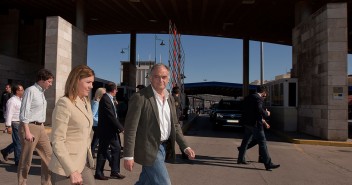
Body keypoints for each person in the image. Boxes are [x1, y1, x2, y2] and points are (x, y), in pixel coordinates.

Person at [124, 63, 196, 185]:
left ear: (168, 79)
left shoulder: (170, 98)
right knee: (164, 183)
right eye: (157, 76)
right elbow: (131, 128)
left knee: (145, 181)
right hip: (149, 148)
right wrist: (128, 156)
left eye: (164, 77)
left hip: (164, 147)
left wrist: (185, 147)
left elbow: (175, 125)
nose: (161, 80)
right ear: (150, 78)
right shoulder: (140, 97)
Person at [49, 64, 96, 185]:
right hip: (65, 168)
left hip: (82, 163)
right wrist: (72, 171)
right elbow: (57, 140)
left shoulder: (85, 102)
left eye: (92, 83)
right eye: (88, 82)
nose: (91, 86)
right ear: (76, 81)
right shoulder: (64, 103)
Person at [18, 68, 54, 185]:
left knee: (49, 156)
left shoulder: (41, 93)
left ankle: (46, 183)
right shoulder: (30, 91)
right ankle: (22, 183)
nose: (51, 84)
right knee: (26, 160)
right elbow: (24, 113)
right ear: (42, 80)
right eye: (49, 81)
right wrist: (27, 132)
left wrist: (42, 127)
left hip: (40, 128)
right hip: (29, 127)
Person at [237, 85, 280, 171]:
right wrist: (267, 113)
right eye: (265, 93)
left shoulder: (248, 97)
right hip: (255, 124)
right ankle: (268, 163)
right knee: (263, 143)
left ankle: (240, 159)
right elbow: (259, 110)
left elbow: (246, 109)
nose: (265, 95)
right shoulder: (258, 98)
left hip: (247, 123)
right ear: (264, 92)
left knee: (245, 141)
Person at [95, 82, 125, 180]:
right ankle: (99, 173)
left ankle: (114, 171)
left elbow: (114, 115)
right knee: (103, 151)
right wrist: (121, 128)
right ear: (113, 90)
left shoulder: (110, 99)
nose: (117, 91)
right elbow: (111, 116)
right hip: (106, 131)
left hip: (111, 130)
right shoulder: (105, 99)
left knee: (116, 149)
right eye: (116, 89)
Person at [1, 84, 24, 165]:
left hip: (21, 123)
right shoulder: (12, 101)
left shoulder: (20, 100)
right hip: (15, 123)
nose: (23, 91)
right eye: (21, 90)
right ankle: (18, 161)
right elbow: (9, 114)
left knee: (20, 141)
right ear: (17, 91)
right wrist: (8, 126)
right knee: (18, 142)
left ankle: (5, 151)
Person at [171, 86, 188, 160]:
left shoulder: (173, 99)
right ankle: (184, 153)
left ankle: (184, 153)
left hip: (174, 121)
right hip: (177, 121)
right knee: (179, 137)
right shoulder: (178, 99)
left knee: (176, 138)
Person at [91, 87, 106, 157]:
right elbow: (92, 115)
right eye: (104, 93)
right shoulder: (96, 103)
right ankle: (91, 152)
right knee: (97, 139)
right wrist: (100, 121)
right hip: (97, 125)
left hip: (98, 124)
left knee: (96, 139)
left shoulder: (98, 101)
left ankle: (92, 152)